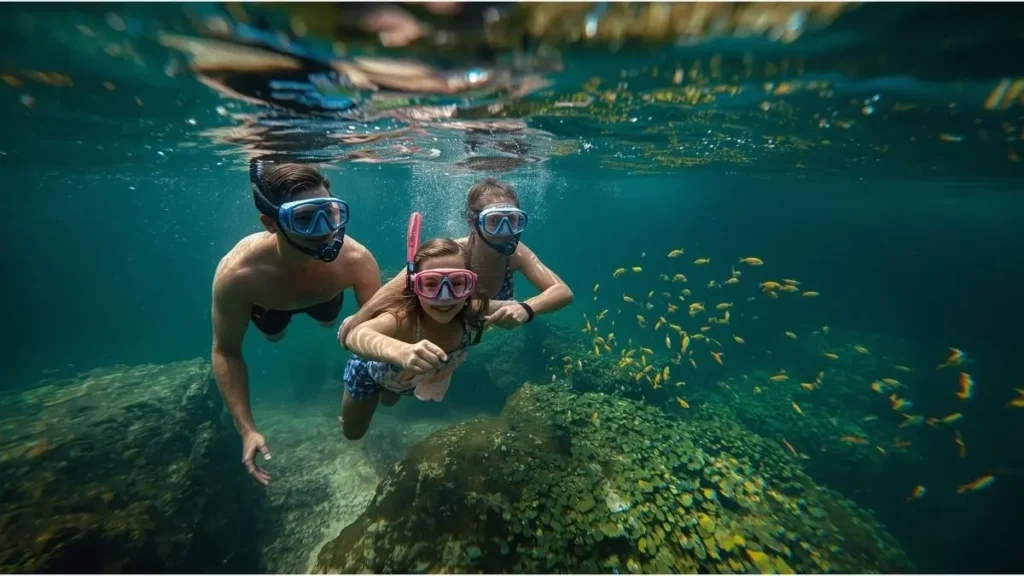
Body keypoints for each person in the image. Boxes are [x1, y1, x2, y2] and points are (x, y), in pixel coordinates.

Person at [211, 160, 382, 485]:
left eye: (329, 213)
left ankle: (319, 317)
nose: (324, 230)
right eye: (304, 218)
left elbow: (379, 324)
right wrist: (246, 429)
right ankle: (280, 326)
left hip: (325, 297)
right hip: (268, 304)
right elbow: (226, 351)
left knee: (329, 320)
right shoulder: (239, 276)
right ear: (270, 223)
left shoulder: (355, 260)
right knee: (274, 333)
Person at [338, 177, 573, 345]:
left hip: (459, 345)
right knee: (389, 396)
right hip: (424, 337)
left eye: (512, 220)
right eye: (493, 221)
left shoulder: (517, 253)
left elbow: (562, 291)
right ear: (472, 223)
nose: (505, 231)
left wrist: (526, 309)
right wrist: (356, 322)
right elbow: (394, 288)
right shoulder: (454, 252)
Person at [341, 234, 489, 440]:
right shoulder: (403, 318)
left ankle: (389, 390)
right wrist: (402, 351)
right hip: (369, 372)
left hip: (404, 382)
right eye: (430, 284)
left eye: (457, 283)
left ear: (470, 286)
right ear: (414, 287)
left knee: (389, 401)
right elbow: (357, 334)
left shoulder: (475, 312)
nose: (444, 296)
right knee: (353, 433)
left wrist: (523, 310)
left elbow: (509, 307)